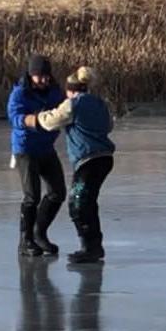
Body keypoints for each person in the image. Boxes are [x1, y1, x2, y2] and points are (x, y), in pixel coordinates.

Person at [35, 66, 115, 264]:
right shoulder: (100, 103)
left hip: (88, 161)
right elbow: (109, 126)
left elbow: (50, 122)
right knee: (88, 202)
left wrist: (36, 117)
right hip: (104, 159)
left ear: (70, 90)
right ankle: (94, 245)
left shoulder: (73, 104)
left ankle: (90, 248)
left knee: (78, 204)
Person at [7, 54, 66, 257]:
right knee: (32, 196)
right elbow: (14, 117)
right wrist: (34, 121)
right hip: (26, 149)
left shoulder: (54, 91)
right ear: (30, 75)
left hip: (47, 148)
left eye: (46, 76)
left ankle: (39, 233)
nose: (43, 80)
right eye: (39, 76)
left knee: (58, 192)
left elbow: (64, 110)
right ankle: (25, 241)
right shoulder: (20, 93)